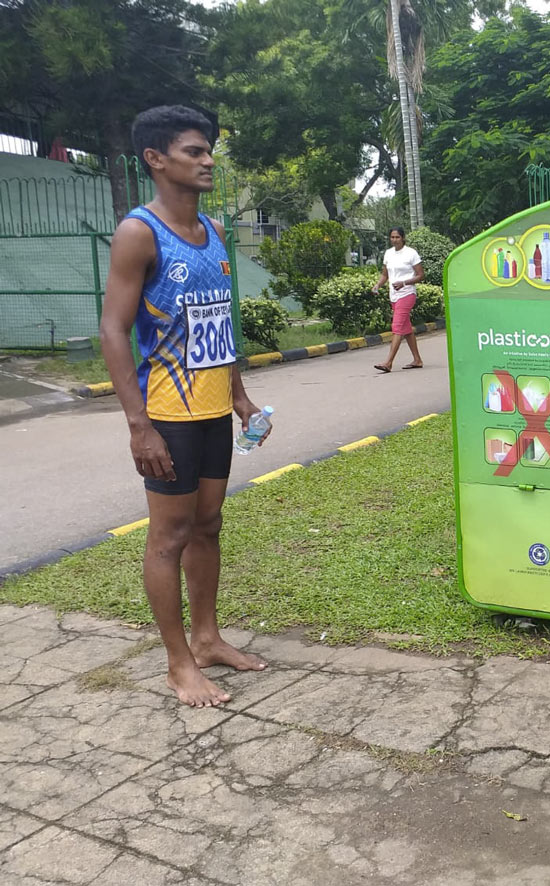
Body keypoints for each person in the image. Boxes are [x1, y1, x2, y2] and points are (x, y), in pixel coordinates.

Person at [100, 105, 269, 708]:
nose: (208, 161)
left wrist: (241, 398)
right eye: (194, 151)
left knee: (209, 525)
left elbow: (221, 325)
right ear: (156, 159)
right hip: (166, 414)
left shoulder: (216, 233)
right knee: (168, 537)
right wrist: (138, 425)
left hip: (213, 411)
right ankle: (179, 665)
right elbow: (114, 331)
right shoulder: (139, 232)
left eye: (208, 151)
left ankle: (207, 639)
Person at [371, 227, 425, 371]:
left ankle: (388, 362)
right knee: (406, 329)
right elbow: (385, 275)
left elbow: (420, 275)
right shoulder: (388, 254)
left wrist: (404, 283)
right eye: (392, 237)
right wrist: (378, 285)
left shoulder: (411, 253)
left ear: (403, 238)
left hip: (407, 294)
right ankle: (417, 360)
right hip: (394, 296)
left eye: (397, 237)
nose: (394, 240)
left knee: (397, 327)